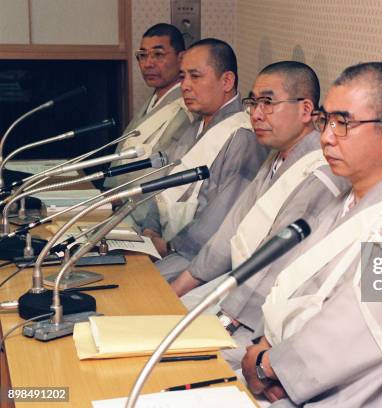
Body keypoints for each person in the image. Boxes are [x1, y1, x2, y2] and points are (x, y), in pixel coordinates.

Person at [240, 62, 382, 406]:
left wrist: (270, 366)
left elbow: (354, 330)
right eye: (326, 121)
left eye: (344, 124)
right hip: (278, 364)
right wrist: (265, 349)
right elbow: (299, 283)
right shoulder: (346, 197)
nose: (326, 136)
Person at [167, 62, 348, 356]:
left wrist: (225, 319)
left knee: (178, 350)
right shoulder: (276, 157)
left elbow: (276, 264)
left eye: (268, 102)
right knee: (164, 314)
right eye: (253, 103)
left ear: (305, 111)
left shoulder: (318, 171)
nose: (256, 114)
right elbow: (231, 231)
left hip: (258, 315)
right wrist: (180, 288)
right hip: (233, 286)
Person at [139, 38, 268, 259]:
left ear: (227, 81)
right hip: (161, 244)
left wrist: (169, 247)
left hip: (194, 256)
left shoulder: (242, 137)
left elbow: (220, 222)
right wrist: (150, 230)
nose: (185, 85)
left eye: (195, 76)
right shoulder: (195, 125)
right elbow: (161, 183)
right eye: (183, 76)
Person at [105, 23, 192, 190]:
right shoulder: (154, 100)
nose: (148, 64)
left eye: (158, 54)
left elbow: (163, 165)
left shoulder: (185, 106)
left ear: (181, 58)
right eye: (143, 55)